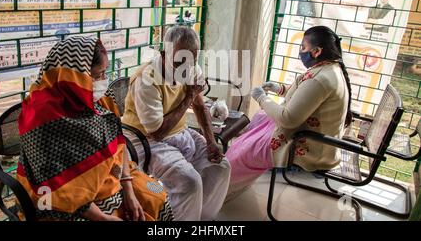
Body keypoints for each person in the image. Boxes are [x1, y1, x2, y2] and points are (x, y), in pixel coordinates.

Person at [17, 36, 174, 221]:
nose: (104, 81)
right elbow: (55, 186)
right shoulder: (41, 116)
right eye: (98, 75)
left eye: (105, 72)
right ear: (74, 76)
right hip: (60, 198)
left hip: (113, 175)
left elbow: (119, 142)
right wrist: (103, 218)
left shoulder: (99, 99)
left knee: (158, 196)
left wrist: (127, 186)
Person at [225, 26, 352, 197]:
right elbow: (305, 97)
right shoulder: (329, 69)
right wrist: (279, 89)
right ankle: (239, 171)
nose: (301, 51)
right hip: (309, 133)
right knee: (260, 120)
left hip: (309, 146)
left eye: (303, 47)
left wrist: (262, 98)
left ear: (317, 51)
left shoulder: (321, 78)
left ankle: (221, 188)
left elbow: (288, 119)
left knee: (244, 152)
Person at [121, 26, 231, 220]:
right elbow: (157, 133)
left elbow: (200, 107)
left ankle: (201, 217)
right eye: (179, 61)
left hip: (178, 132)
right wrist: (189, 96)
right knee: (190, 182)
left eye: (192, 61)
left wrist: (211, 141)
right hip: (145, 139)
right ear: (164, 54)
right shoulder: (147, 79)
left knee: (221, 167)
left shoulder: (191, 68)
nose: (186, 68)